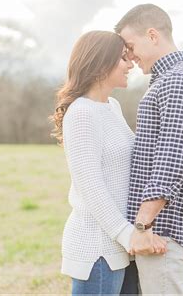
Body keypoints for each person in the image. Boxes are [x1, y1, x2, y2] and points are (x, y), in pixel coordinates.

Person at [49, 30, 167, 295]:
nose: (129, 65)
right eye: (123, 59)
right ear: (101, 64)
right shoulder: (81, 113)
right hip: (97, 249)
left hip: (121, 247)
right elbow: (91, 187)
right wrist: (129, 235)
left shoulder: (111, 106)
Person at [115, 4, 183, 294]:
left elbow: (171, 160)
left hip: (162, 234)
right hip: (157, 232)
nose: (129, 57)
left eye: (130, 46)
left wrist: (142, 226)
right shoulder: (163, 81)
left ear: (152, 35)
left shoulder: (178, 82)